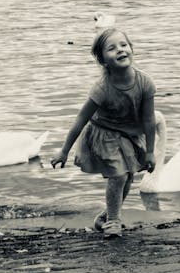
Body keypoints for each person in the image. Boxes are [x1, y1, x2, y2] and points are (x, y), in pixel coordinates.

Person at [51, 27, 156, 238]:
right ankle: (114, 222)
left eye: (124, 45)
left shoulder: (145, 83)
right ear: (102, 60)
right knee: (118, 175)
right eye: (111, 48)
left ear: (132, 49)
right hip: (104, 134)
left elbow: (148, 119)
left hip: (130, 136)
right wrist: (64, 151)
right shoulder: (102, 88)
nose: (120, 50)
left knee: (127, 178)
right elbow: (81, 119)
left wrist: (150, 151)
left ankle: (105, 217)